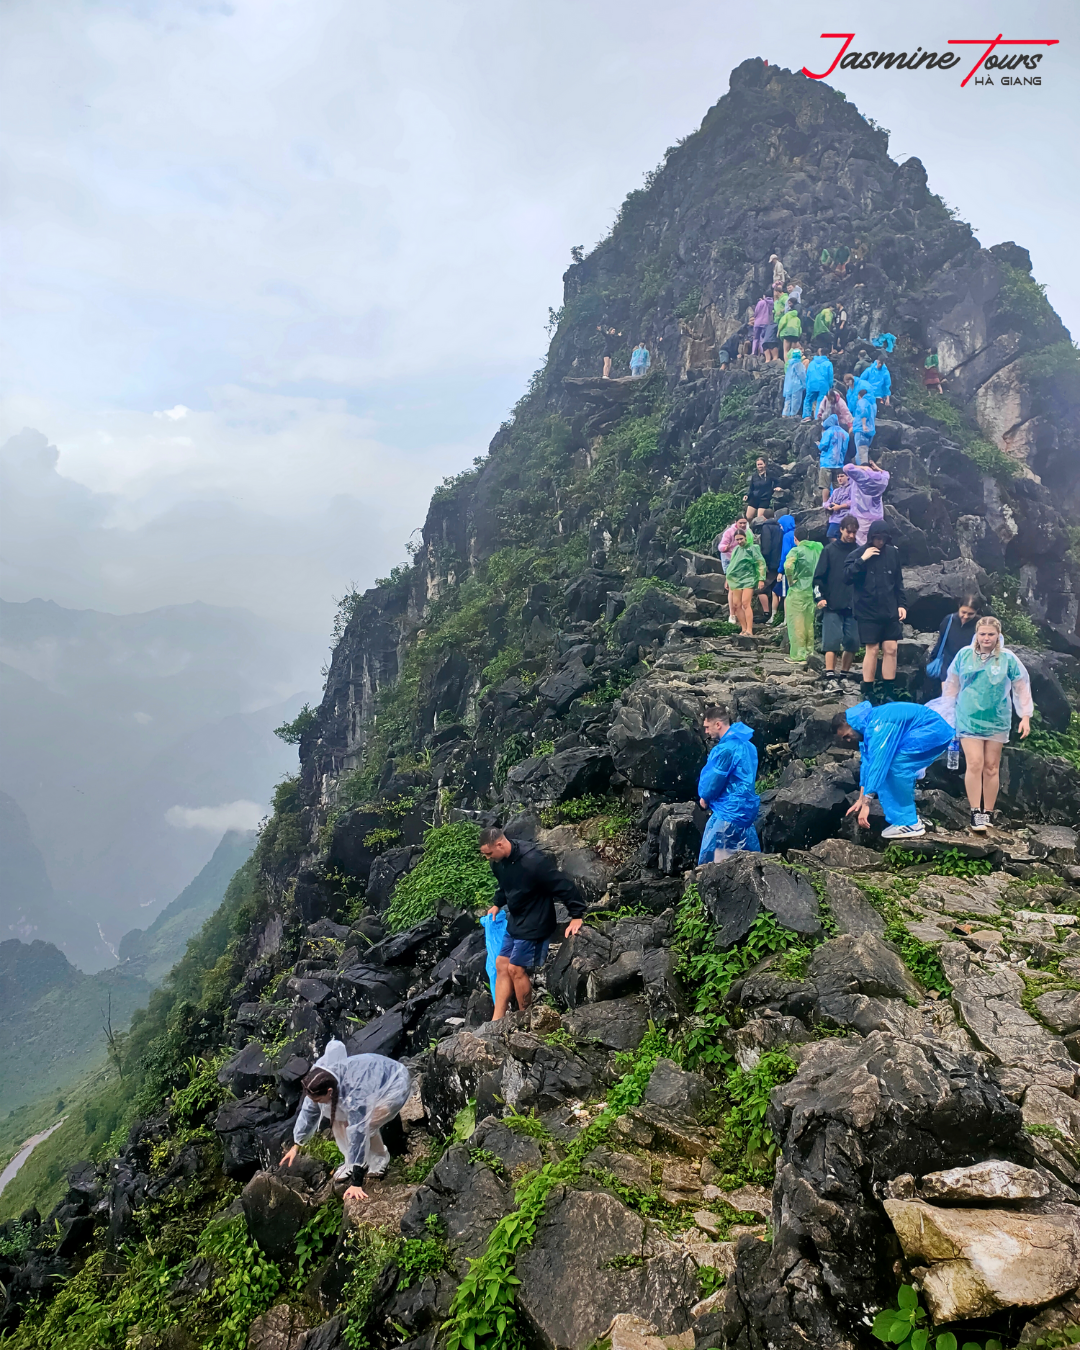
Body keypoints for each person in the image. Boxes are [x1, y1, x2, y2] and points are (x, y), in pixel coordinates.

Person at [933, 616, 1034, 832]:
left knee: (991, 767)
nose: (986, 638)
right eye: (982, 634)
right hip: (968, 717)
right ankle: (975, 812)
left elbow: (1021, 685)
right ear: (976, 635)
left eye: (991, 634)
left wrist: (1025, 716)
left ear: (998, 636)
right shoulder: (964, 656)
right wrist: (947, 713)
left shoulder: (1007, 658)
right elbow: (952, 684)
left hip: (997, 719)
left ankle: (987, 812)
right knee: (975, 763)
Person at [282, 1041, 413, 1200]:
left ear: (329, 1092)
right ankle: (351, 1161)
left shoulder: (353, 1094)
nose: (317, 1103)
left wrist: (356, 1183)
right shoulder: (316, 1080)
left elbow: (359, 1131)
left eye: (320, 1100)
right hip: (364, 1080)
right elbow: (309, 1110)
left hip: (393, 1083)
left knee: (369, 1124)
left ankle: (379, 1159)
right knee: (338, 1119)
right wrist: (297, 1145)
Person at [478, 828, 585, 1019]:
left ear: (500, 844)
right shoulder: (498, 862)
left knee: (515, 968)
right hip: (517, 918)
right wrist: (497, 904)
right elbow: (504, 885)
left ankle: (523, 1017)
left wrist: (576, 915)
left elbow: (561, 884)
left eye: (489, 853)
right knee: (501, 963)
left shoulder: (532, 860)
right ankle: (497, 1019)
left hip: (537, 919)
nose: (487, 858)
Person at [833, 701, 953, 839]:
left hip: (932, 730)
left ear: (850, 724)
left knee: (893, 767)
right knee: (890, 765)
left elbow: (878, 765)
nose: (848, 740)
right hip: (927, 731)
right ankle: (905, 820)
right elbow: (868, 765)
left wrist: (867, 803)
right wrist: (860, 799)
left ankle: (909, 823)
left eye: (847, 735)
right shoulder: (867, 729)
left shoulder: (878, 727)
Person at [844, 523, 906, 704]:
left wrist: (902, 604)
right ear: (871, 537)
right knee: (872, 649)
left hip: (889, 608)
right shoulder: (856, 554)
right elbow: (846, 577)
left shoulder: (893, 553)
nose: (880, 542)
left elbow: (898, 581)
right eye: (877, 538)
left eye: (883, 539)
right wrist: (862, 560)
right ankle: (868, 691)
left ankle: (888, 691)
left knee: (891, 649)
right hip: (866, 610)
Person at [697, 704, 760, 861]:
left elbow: (713, 781)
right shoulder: (749, 746)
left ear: (718, 724)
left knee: (715, 864)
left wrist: (704, 797)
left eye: (707, 727)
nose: (706, 732)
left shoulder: (725, 749)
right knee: (749, 860)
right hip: (746, 812)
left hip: (727, 812)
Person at [814, 515, 860, 679]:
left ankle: (844, 674)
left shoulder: (860, 552)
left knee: (853, 642)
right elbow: (818, 578)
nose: (852, 536)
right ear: (841, 529)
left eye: (854, 532)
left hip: (854, 605)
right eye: (849, 532)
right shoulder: (829, 550)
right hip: (832, 603)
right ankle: (830, 674)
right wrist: (819, 598)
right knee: (831, 642)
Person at [923, 594, 981, 700]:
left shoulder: (980, 625)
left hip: (970, 666)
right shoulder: (949, 620)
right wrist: (933, 657)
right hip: (948, 663)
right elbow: (941, 641)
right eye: (963, 612)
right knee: (947, 700)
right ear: (959, 607)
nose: (966, 616)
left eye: (970, 614)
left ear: (976, 612)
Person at [783, 524, 823, 663]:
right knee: (809, 623)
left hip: (798, 590)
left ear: (795, 539)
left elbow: (788, 566)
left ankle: (798, 655)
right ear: (807, 537)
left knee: (797, 622)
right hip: (813, 590)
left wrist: (791, 580)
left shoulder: (796, 551)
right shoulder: (817, 549)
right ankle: (809, 652)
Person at [725, 528, 766, 636]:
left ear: (745, 537)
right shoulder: (736, 550)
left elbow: (760, 562)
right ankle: (743, 629)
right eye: (737, 540)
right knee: (736, 604)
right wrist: (727, 579)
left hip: (749, 578)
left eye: (741, 539)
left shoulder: (753, 548)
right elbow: (732, 565)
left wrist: (761, 578)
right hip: (736, 580)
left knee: (745, 603)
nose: (739, 541)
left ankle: (749, 629)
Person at [844, 459, 889, 544]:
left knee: (861, 545)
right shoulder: (882, 480)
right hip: (877, 517)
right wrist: (877, 468)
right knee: (876, 543)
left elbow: (846, 468)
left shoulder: (860, 478)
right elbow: (886, 473)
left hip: (860, 518)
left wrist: (862, 467)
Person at [756, 508, 783, 623]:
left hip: (770, 563)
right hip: (779, 562)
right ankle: (776, 614)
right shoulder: (780, 528)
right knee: (776, 588)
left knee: (762, 588)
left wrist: (764, 560)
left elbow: (766, 546)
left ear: (764, 517)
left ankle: (767, 613)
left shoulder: (766, 527)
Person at [817, 413, 849, 505]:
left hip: (827, 462)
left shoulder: (828, 432)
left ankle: (825, 503)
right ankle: (838, 503)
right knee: (838, 485)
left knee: (825, 485)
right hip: (839, 463)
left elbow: (823, 446)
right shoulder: (845, 434)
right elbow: (844, 449)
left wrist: (819, 445)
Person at [802, 349, 835, 421]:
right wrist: (830, 386)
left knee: (808, 400)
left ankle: (806, 416)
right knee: (821, 401)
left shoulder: (812, 363)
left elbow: (807, 375)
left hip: (811, 384)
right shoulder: (828, 364)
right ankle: (818, 417)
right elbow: (830, 377)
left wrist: (807, 385)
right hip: (823, 385)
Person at [743, 457, 779, 521]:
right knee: (748, 517)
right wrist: (747, 495)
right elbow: (751, 488)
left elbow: (777, 481)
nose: (759, 466)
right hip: (754, 498)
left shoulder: (770, 473)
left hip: (764, 499)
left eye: (761, 464)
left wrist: (777, 487)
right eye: (758, 465)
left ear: (764, 464)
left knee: (759, 519)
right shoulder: (754, 476)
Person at [823, 471, 852, 538]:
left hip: (847, 517)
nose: (839, 478)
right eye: (838, 477)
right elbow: (826, 503)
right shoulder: (836, 491)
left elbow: (854, 502)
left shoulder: (851, 488)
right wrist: (829, 507)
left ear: (848, 477)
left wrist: (840, 507)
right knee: (830, 535)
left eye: (842, 476)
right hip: (835, 518)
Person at [853, 382, 875, 464]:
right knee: (863, 451)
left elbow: (863, 411)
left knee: (861, 455)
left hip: (861, 430)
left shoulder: (862, 401)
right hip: (870, 432)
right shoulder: (872, 404)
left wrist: (863, 425)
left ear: (859, 396)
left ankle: (862, 472)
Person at [782, 346, 806, 417]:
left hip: (788, 385)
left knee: (788, 399)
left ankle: (785, 414)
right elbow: (801, 375)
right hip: (797, 385)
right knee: (796, 400)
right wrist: (805, 384)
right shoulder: (799, 364)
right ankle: (793, 415)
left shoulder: (789, 363)